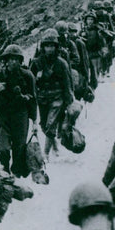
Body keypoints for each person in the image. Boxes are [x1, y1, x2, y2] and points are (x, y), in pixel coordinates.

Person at [0, 44, 37, 178]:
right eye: (11, 59)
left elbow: (33, 100)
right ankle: (5, 173)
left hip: (21, 115)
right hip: (2, 115)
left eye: (16, 59)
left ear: (21, 61)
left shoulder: (27, 75)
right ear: (6, 60)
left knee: (19, 148)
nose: (13, 62)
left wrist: (35, 122)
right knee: (3, 148)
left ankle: (16, 174)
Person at [30, 28, 74, 158]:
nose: (49, 49)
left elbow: (67, 83)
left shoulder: (61, 63)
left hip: (57, 97)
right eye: (47, 46)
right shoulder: (37, 63)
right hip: (42, 98)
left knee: (50, 125)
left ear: (56, 47)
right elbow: (30, 81)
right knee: (44, 126)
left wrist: (69, 101)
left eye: (52, 46)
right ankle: (54, 145)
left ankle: (46, 153)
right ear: (43, 47)